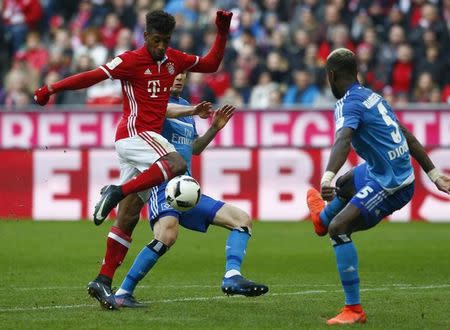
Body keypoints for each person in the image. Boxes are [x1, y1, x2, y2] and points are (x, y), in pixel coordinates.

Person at [34, 9, 233, 310]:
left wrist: (222, 30)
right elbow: (91, 77)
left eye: (165, 41)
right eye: (156, 41)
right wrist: (51, 89)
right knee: (177, 164)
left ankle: (102, 280)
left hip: (145, 144)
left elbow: (212, 63)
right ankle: (115, 191)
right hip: (133, 135)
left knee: (128, 215)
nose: (161, 47)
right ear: (145, 36)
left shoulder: (173, 60)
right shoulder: (130, 60)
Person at [306, 48, 450, 325]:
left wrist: (326, 177)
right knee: (347, 183)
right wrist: (434, 174)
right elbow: (405, 134)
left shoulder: (348, 104)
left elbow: (343, 139)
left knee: (340, 228)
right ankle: (321, 220)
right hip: (381, 171)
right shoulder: (374, 97)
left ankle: (354, 309)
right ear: (356, 72)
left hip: (392, 186)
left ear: (331, 76)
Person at [113, 72, 268, 308]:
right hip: (161, 184)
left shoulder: (186, 107)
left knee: (242, 220)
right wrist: (194, 111)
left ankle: (232, 276)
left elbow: (193, 148)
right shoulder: (156, 102)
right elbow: (165, 111)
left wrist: (214, 129)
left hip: (187, 188)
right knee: (167, 234)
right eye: (174, 74)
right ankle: (123, 292)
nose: (178, 79)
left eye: (183, 75)